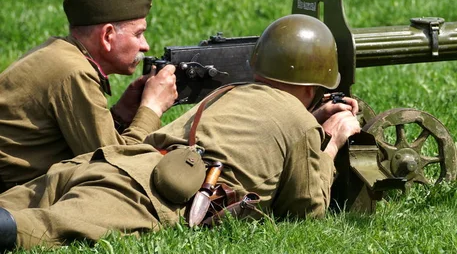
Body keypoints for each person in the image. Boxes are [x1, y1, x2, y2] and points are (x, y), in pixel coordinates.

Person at [0, 14, 361, 250]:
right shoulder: (298, 124)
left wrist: (310, 123)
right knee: (39, 228)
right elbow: (306, 210)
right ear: (314, 88)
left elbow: (266, 125)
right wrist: (332, 140)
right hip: (148, 194)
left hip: (107, 163)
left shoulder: (229, 92)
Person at [0, 0, 178, 192]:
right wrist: (152, 107)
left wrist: (121, 114)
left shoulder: (59, 52)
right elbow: (114, 168)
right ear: (107, 36)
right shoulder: (74, 72)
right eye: (138, 34)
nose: (145, 45)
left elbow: (78, 141)